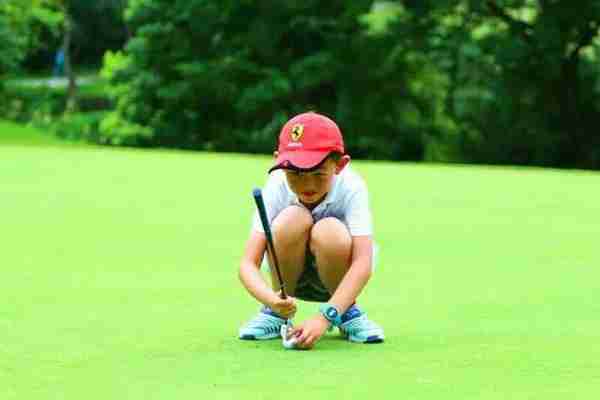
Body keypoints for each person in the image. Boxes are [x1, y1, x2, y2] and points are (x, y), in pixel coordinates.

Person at [238, 111, 384, 349]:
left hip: (339, 281)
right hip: (286, 283)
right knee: (292, 218)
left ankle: (347, 312)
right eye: (295, 174)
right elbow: (247, 264)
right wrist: (271, 300)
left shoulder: (352, 186)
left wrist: (325, 317)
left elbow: (363, 263)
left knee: (330, 231)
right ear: (279, 161)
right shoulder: (276, 185)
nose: (307, 185)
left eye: (318, 173)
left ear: (340, 165)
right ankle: (276, 315)